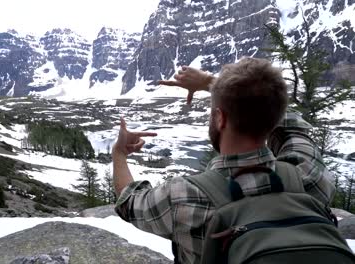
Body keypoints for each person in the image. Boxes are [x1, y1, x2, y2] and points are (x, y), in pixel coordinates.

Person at [112, 58, 354, 263]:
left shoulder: (181, 197)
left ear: (220, 118)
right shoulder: (308, 175)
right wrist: (211, 83)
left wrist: (120, 154)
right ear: (275, 116)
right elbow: (292, 126)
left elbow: (128, 201)